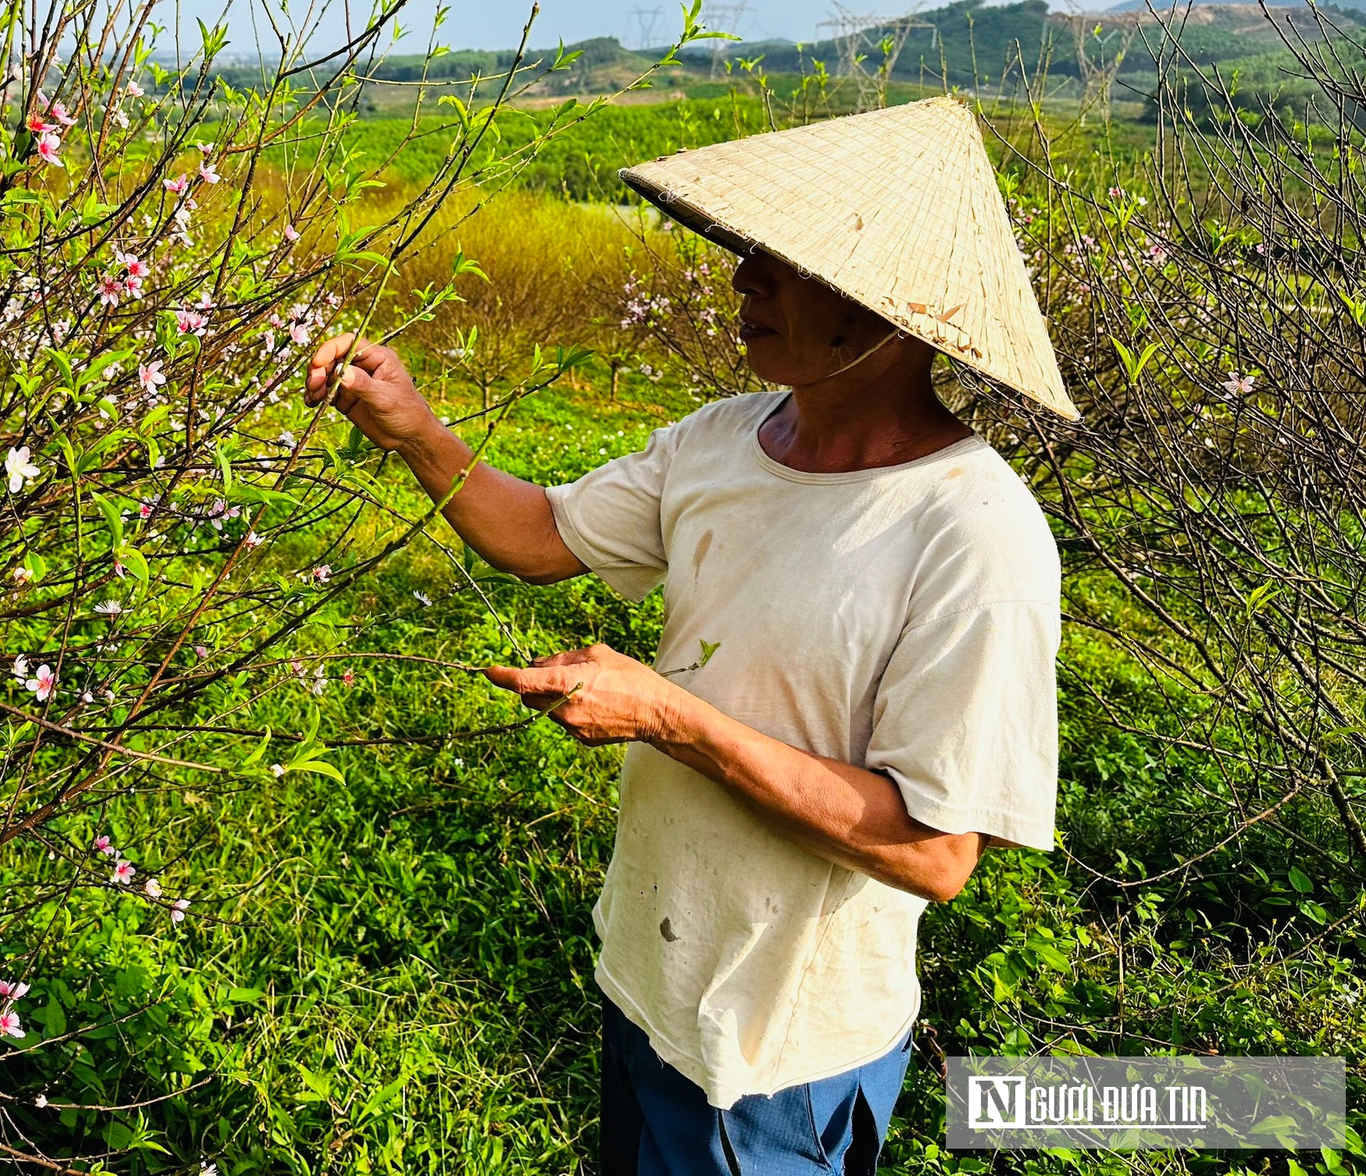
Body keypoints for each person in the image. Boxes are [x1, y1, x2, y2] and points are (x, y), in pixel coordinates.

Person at [302, 98, 1076, 1175]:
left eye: (778, 261)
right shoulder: (722, 442)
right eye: (743, 252)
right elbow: (537, 535)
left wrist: (671, 716)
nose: (739, 280)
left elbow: (935, 850)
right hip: (647, 982)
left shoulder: (972, 537)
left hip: (774, 1059)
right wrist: (416, 431)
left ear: (882, 307)